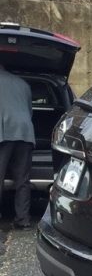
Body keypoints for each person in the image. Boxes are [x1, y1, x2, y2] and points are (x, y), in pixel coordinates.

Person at [0, 60, 34, 228]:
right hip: (25, 133)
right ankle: (23, 219)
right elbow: (29, 111)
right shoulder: (23, 84)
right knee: (22, 180)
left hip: (4, 132)